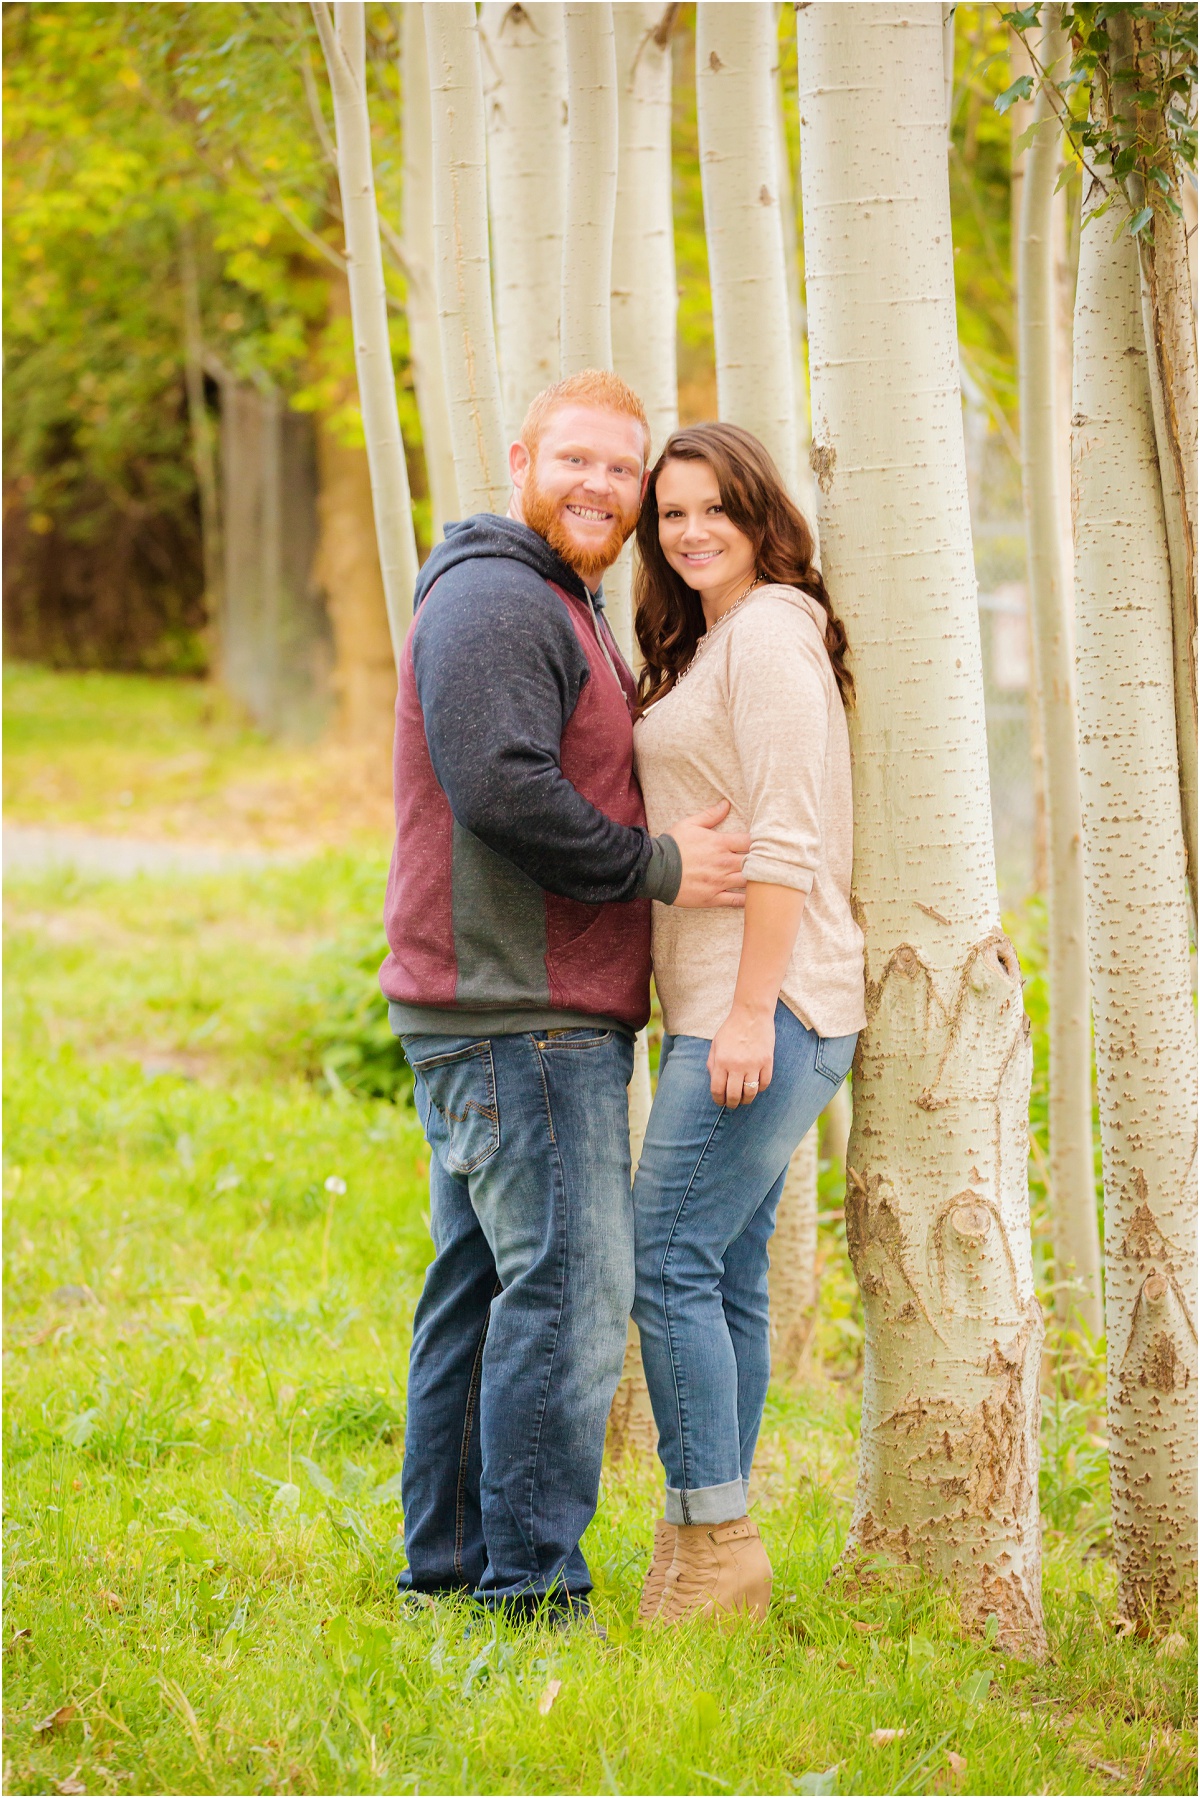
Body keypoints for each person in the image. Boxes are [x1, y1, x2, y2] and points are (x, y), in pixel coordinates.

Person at [380, 371, 750, 1626]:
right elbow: (502, 787)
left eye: (621, 468)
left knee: (483, 1294)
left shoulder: (556, 598)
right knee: (572, 1300)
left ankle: (449, 1575)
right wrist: (663, 865)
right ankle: (532, 1593)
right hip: (519, 1014)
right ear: (523, 454)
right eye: (576, 460)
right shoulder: (496, 597)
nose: (600, 486)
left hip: (500, 1009)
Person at [629, 422, 866, 1627]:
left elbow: (787, 838)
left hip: (763, 1007)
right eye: (672, 513)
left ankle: (715, 1547)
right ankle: (711, 1548)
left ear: (760, 511)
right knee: (718, 1276)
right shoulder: (720, 639)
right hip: (743, 1005)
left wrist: (744, 1014)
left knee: (662, 1257)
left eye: (715, 505)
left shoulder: (770, 631)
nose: (691, 529)